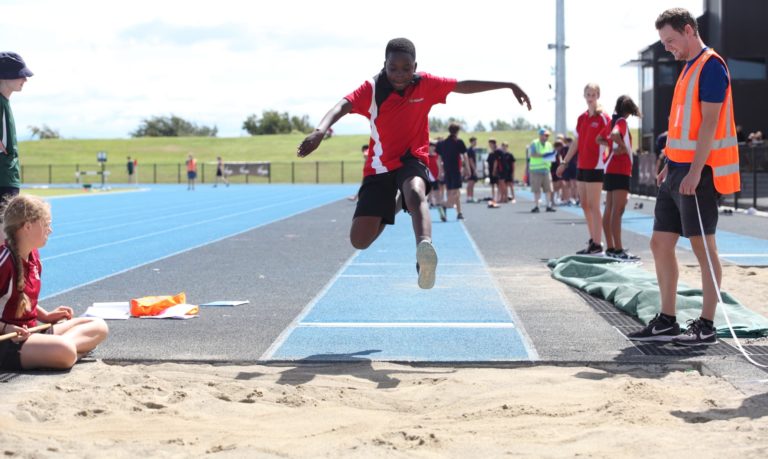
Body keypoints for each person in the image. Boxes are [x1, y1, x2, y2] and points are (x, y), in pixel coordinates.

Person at [296, 37, 531, 289]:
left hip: (413, 157)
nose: (400, 74)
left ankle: (424, 249)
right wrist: (320, 131)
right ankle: (397, 204)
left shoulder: (425, 84)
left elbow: (462, 85)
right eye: (393, 68)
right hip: (380, 166)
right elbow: (342, 106)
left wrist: (509, 85)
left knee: (416, 191)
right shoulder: (372, 89)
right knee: (360, 240)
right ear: (384, 65)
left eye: (406, 68)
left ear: (415, 66)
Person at [628, 8, 740, 345]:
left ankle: (707, 325)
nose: (666, 47)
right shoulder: (688, 68)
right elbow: (682, 126)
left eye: (670, 40)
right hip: (676, 170)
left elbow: (710, 123)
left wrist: (693, 171)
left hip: (698, 174)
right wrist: (668, 162)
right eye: (664, 42)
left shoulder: (711, 66)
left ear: (689, 30)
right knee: (659, 243)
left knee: (704, 248)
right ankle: (667, 321)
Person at [0, 195, 108, 371]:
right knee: (65, 350)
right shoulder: (4, 261)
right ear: (27, 226)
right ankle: (68, 350)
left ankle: (61, 350)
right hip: (8, 342)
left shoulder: (34, 256)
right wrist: (6, 328)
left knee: (98, 326)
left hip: (32, 332)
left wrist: (46, 316)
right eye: (46, 224)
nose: (50, 230)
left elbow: (19, 299)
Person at [557, 83, 611, 254]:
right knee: (584, 204)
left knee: (594, 205)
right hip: (582, 165)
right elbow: (576, 142)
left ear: (598, 96)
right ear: (584, 96)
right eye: (588, 94)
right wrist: (565, 162)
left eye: (593, 94)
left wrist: (606, 152)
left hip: (596, 165)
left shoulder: (603, 117)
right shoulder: (582, 118)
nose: (590, 97)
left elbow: (611, 139)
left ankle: (598, 243)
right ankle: (593, 240)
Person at [598, 95, 642, 261]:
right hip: (620, 170)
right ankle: (618, 249)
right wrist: (622, 146)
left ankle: (610, 247)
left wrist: (610, 146)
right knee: (618, 210)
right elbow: (615, 134)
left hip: (610, 169)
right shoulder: (621, 122)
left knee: (609, 209)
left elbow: (599, 138)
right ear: (629, 110)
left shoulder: (611, 122)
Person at [0, 52, 32, 207]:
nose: (25, 79)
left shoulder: (4, 102)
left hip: (7, 179)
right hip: (3, 180)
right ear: (5, 76)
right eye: (20, 75)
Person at [436, 123, 468, 221]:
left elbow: (438, 159)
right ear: (457, 131)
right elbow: (465, 156)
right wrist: (467, 169)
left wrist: (440, 171)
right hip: (455, 171)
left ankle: (459, 213)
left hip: (447, 171)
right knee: (455, 193)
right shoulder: (458, 142)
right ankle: (443, 206)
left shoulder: (442, 143)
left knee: (454, 192)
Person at [527, 128, 556, 213]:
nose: (547, 137)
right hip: (536, 170)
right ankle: (537, 206)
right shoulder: (534, 143)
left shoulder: (549, 144)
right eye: (545, 135)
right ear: (540, 135)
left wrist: (551, 156)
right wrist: (544, 155)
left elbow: (551, 155)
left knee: (549, 189)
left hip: (546, 170)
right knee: (536, 190)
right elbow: (532, 154)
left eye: (548, 135)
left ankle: (548, 206)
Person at [486, 139, 502, 207]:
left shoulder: (497, 152)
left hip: (496, 171)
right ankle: (493, 197)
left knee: (498, 184)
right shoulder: (490, 153)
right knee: (492, 184)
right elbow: (488, 162)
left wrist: (494, 170)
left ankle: (498, 197)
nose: (490, 145)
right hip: (491, 170)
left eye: (491, 144)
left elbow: (496, 162)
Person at [426, 141, 441, 208]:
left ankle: (437, 202)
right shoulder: (426, 155)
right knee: (430, 189)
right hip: (429, 174)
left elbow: (439, 165)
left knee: (436, 189)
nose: (433, 148)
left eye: (434, 146)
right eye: (431, 146)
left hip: (436, 174)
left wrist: (440, 173)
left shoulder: (437, 155)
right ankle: (431, 202)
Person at [465, 137, 479, 203]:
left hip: (472, 168)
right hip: (471, 169)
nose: (476, 142)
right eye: (474, 141)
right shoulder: (470, 150)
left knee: (472, 183)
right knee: (470, 183)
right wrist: (474, 169)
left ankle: (471, 197)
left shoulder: (473, 149)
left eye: (476, 141)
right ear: (471, 142)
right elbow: (470, 160)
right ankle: (469, 197)